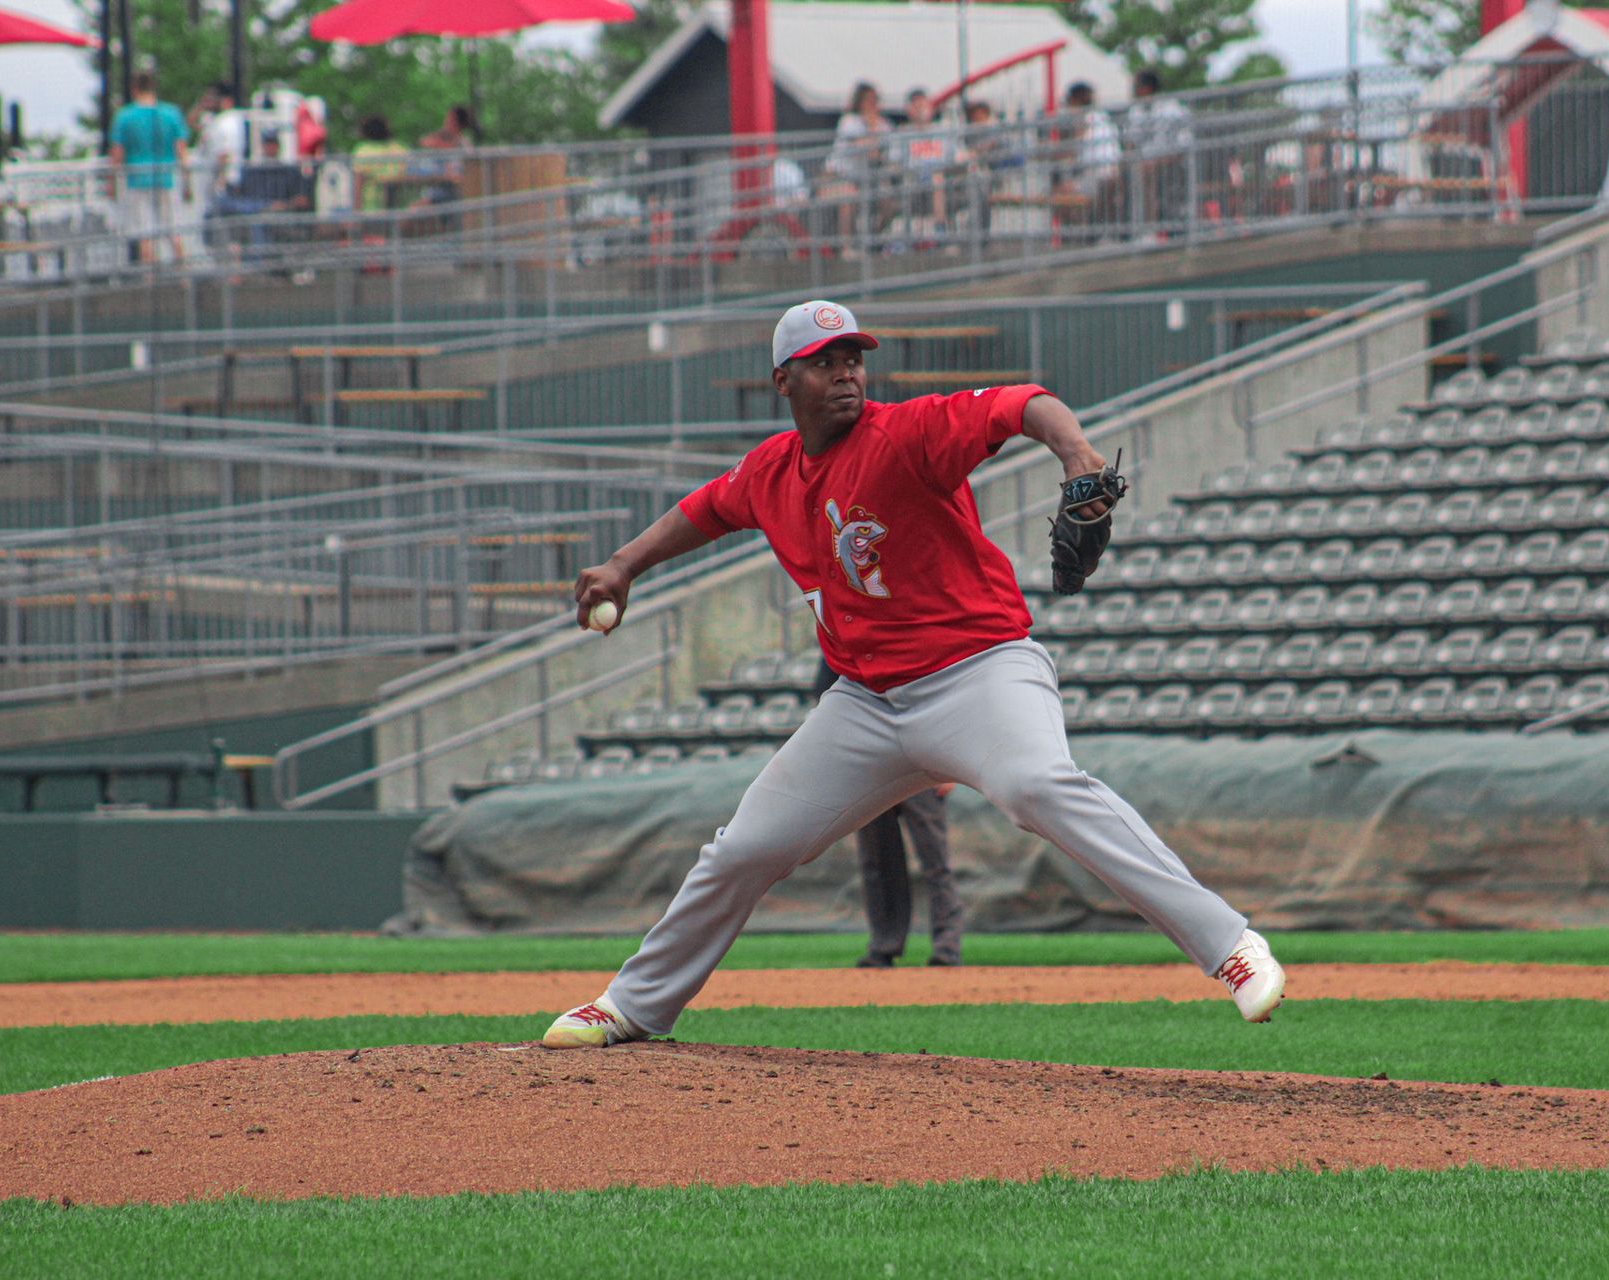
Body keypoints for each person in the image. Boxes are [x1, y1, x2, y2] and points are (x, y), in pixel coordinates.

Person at [542, 299, 1286, 1051]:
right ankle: (634, 1005)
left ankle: (1230, 946)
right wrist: (623, 565)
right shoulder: (770, 470)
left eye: (853, 359)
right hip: (865, 705)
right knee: (744, 848)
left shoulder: (905, 434)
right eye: (824, 362)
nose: (845, 374)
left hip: (980, 673)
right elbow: (704, 509)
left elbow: (1021, 402)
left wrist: (1077, 454)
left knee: (1036, 785)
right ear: (783, 380)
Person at [811, 659, 963, 967]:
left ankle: (947, 948)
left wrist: (950, 763)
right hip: (869, 765)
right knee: (877, 861)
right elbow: (825, 696)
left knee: (935, 859)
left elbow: (949, 698)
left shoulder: (916, 635)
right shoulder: (848, 636)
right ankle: (884, 945)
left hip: (923, 761)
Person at [108, 69, 192, 264]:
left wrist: (111, 182)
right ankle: (183, 274)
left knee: (144, 232)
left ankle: (149, 279)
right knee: (174, 228)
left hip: (137, 178)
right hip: (166, 176)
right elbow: (181, 150)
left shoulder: (125, 116)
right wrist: (187, 181)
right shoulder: (171, 114)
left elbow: (117, 153)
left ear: (134, 88)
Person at [208, 127, 314, 264]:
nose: (270, 148)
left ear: (278, 146)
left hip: (280, 214)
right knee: (222, 205)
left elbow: (302, 200)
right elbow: (239, 195)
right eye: (267, 144)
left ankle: (258, 265)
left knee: (260, 218)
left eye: (273, 144)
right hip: (253, 210)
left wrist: (284, 205)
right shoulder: (253, 171)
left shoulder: (290, 171)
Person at [820, 82, 892, 254]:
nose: (871, 105)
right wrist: (870, 130)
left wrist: (874, 129)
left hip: (868, 179)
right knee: (848, 194)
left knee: (886, 196)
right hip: (838, 176)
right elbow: (859, 146)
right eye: (867, 100)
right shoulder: (849, 121)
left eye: (874, 100)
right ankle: (845, 247)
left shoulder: (883, 125)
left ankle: (878, 241)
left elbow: (880, 154)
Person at [1123, 70, 1194, 233]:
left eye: (1136, 86)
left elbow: (1184, 145)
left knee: (1146, 172)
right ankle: (1125, 230)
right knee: (1121, 174)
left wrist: (1159, 161)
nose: (1133, 91)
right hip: (1145, 164)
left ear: (1146, 88)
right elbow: (1131, 143)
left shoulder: (1171, 109)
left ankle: (1149, 229)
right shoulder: (1136, 111)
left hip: (1174, 164)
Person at [1054, 81, 1121, 239]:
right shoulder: (1101, 116)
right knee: (1066, 190)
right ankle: (1085, 234)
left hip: (1097, 174)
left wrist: (1045, 154)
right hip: (1105, 172)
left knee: (1059, 193)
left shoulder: (1085, 117)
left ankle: (1079, 237)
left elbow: (1071, 149)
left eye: (1070, 100)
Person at [889, 88, 958, 240]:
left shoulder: (942, 131)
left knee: (938, 179)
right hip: (913, 180)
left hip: (941, 178)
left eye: (924, 105)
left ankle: (940, 231)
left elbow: (957, 156)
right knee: (933, 180)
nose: (921, 110)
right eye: (916, 106)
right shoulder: (902, 134)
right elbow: (894, 161)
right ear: (909, 110)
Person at [192, 82, 249, 198]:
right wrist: (202, 104)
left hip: (225, 181)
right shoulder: (223, 119)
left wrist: (220, 181)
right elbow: (192, 123)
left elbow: (224, 153)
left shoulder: (226, 121)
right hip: (222, 179)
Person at [350, 115, 407, 213]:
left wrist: (356, 212)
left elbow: (358, 183)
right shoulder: (399, 148)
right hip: (399, 209)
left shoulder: (363, 150)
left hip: (371, 209)